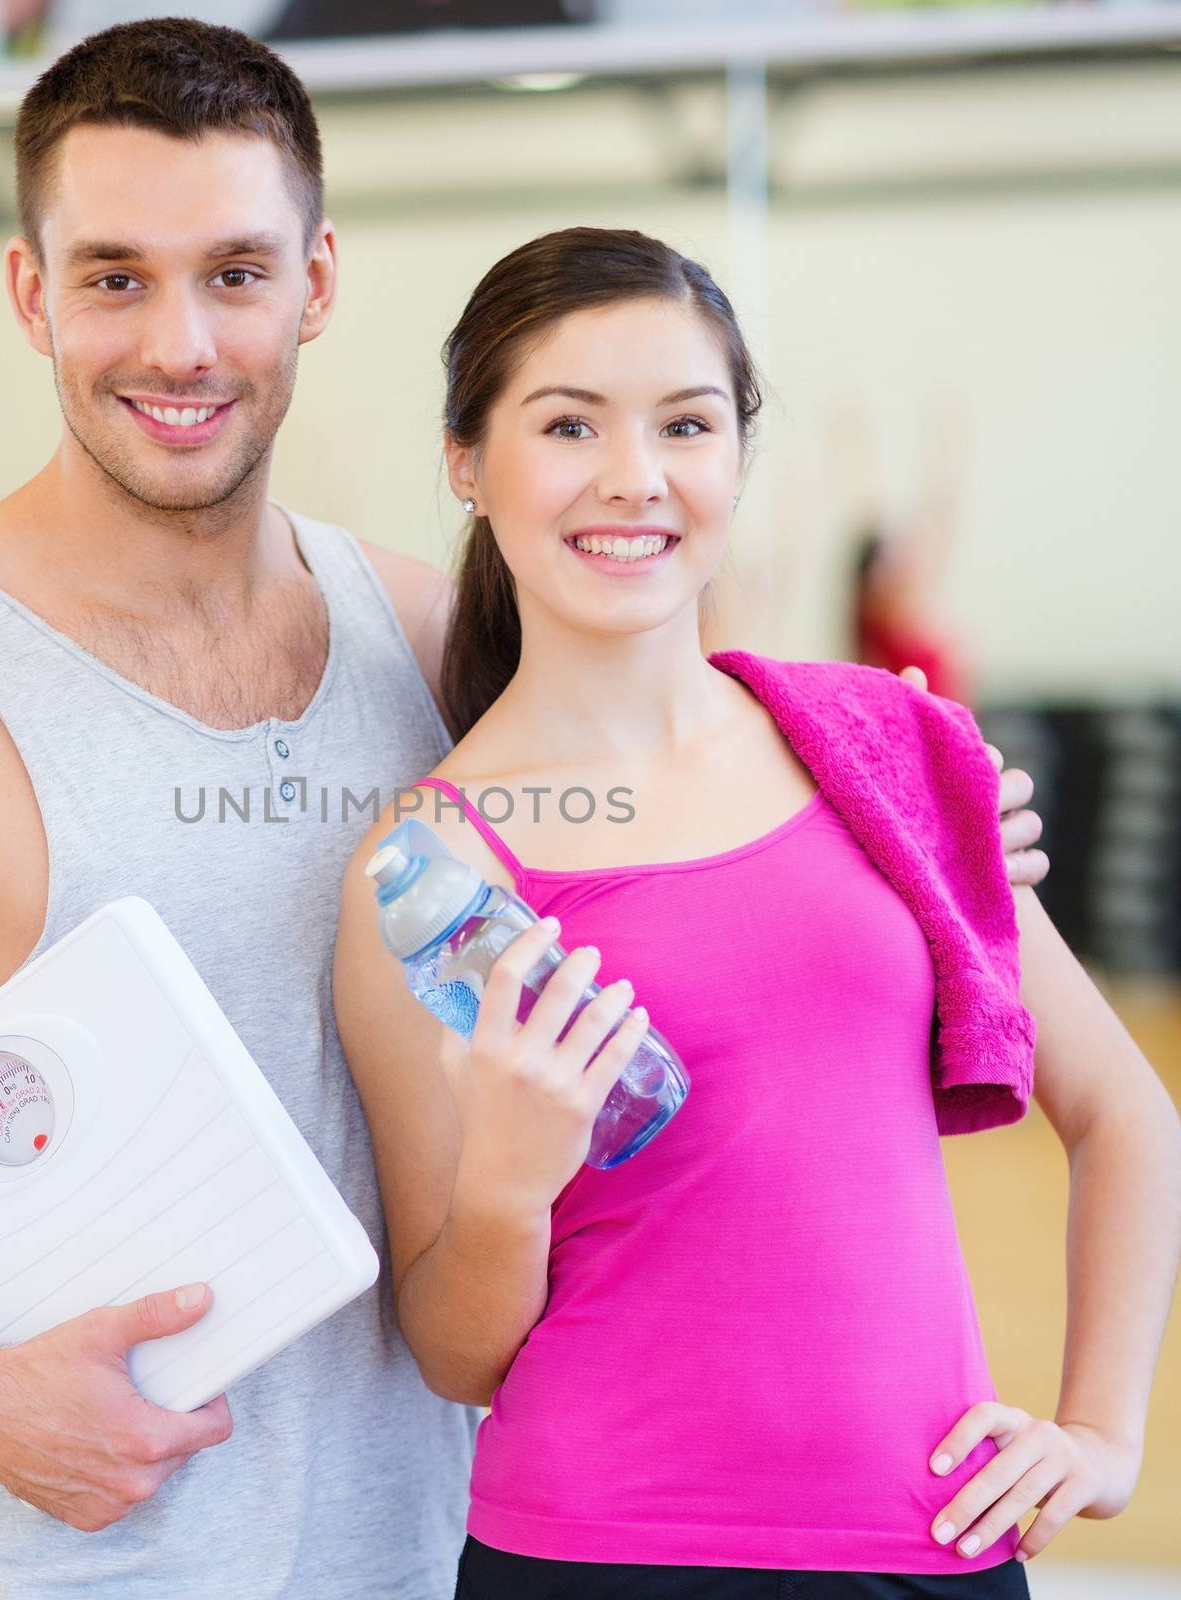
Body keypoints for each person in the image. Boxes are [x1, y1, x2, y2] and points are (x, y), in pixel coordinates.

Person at [0, 20, 1044, 1600]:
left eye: (235, 271)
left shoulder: (427, 635)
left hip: (452, 1555)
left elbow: (691, 809)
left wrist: (913, 830)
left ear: (316, 284)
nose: (180, 343)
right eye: (113, 276)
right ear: (32, 294)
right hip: (89, 1570)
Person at [332, 227, 1181, 1600]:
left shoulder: (884, 755)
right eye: (568, 424)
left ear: (737, 455)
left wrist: (1101, 1431)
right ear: (468, 463)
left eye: (686, 423)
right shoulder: (434, 865)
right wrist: (506, 1182)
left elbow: (1129, 1115)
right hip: (600, 1557)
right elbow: (451, 1349)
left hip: (934, 1543)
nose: (635, 478)